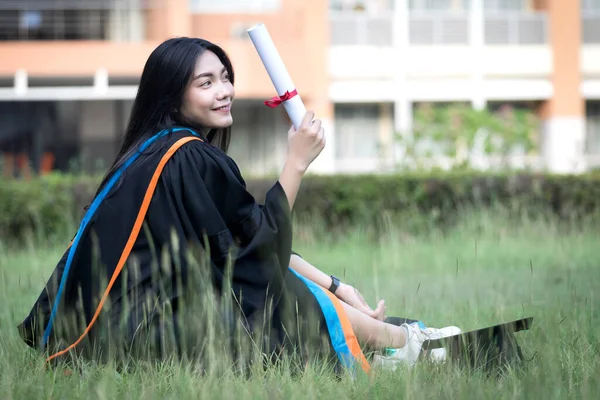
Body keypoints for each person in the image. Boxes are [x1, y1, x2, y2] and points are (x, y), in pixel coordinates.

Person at [17, 37, 457, 374]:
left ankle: (390, 343)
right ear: (172, 97)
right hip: (140, 336)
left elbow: (249, 234)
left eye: (224, 77)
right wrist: (296, 164)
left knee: (258, 283)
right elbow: (261, 258)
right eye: (205, 83)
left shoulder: (155, 151)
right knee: (270, 294)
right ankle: (402, 343)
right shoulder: (185, 156)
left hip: (111, 334)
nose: (223, 90)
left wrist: (339, 286)